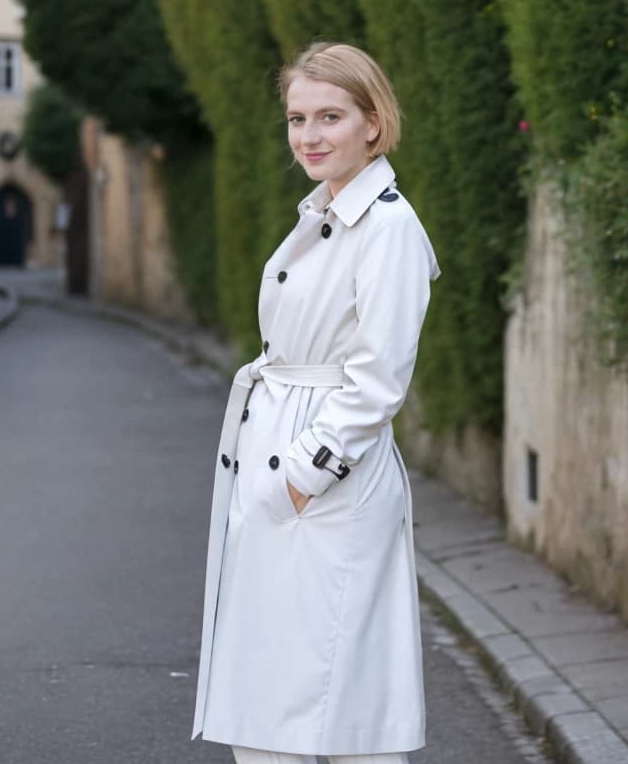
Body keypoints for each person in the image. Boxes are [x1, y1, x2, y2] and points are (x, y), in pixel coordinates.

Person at [192, 41, 440, 764]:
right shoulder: (326, 211)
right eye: (298, 118)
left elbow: (379, 379)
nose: (309, 135)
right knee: (274, 701)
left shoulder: (388, 226)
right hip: (284, 460)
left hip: (325, 474)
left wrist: (305, 475)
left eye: (329, 116)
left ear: (373, 122)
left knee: (339, 703)